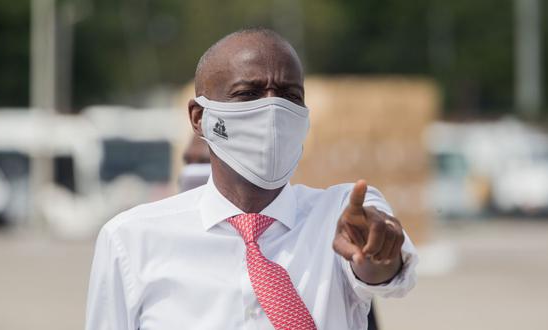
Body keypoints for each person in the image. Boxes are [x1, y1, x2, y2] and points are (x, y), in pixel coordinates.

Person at [85, 28, 418, 330]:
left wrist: (380, 254)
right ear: (200, 117)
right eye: (248, 93)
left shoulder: (340, 214)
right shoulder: (131, 239)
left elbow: (382, 271)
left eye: (290, 95)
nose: (272, 109)